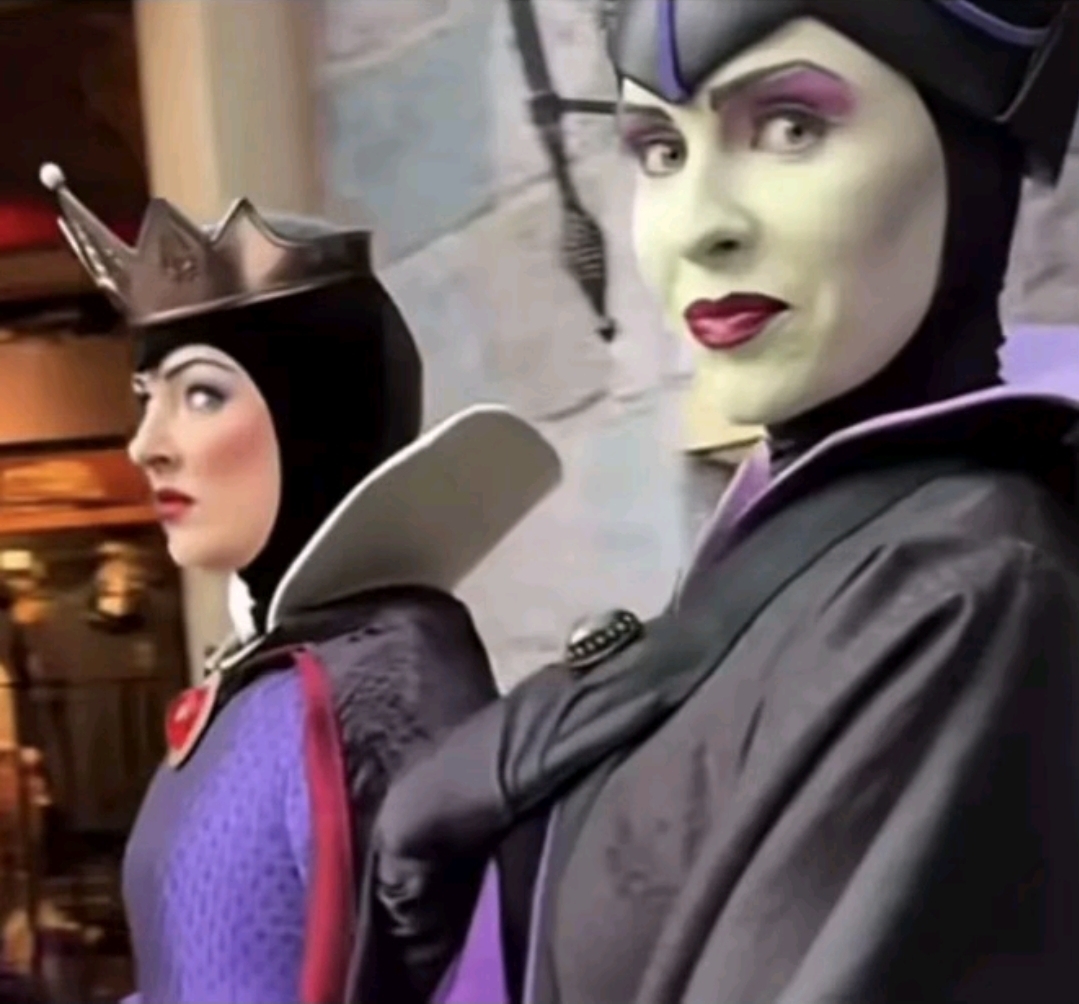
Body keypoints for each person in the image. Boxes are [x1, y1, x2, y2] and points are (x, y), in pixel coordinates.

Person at [351, 3, 1079, 1003]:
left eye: (790, 126)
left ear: (969, 158)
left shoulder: (964, 593)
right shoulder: (821, 549)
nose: (698, 225)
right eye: (659, 149)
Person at [38, 164, 562, 1004]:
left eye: (200, 394)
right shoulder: (277, 679)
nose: (146, 445)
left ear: (319, 411)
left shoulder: (379, 685)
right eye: (145, 398)